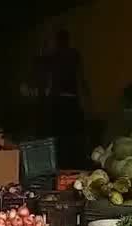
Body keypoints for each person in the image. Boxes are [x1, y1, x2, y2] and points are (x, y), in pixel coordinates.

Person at [48, 29, 88, 168]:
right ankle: (67, 163)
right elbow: (80, 77)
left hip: (65, 100)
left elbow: (80, 77)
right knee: (67, 137)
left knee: (65, 137)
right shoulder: (64, 55)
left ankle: (66, 163)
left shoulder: (60, 56)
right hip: (65, 100)